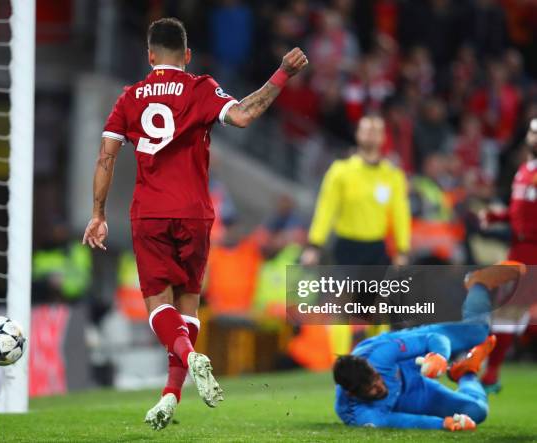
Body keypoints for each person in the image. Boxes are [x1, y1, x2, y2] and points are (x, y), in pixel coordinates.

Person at [81, 18, 308, 431]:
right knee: (188, 307)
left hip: (149, 211)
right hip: (195, 212)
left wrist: (98, 213)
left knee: (158, 306)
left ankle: (187, 359)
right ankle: (171, 394)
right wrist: (283, 74)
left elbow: (105, 159)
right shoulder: (200, 87)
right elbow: (242, 116)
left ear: (150, 56)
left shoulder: (129, 98)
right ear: (187, 55)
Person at [333, 262, 525, 431]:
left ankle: (478, 284)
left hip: (407, 358)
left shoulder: (380, 355)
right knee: (476, 411)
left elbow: (431, 339)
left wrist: (438, 356)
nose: (380, 386)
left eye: (376, 378)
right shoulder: (360, 415)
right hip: (409, 395)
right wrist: (443, 424)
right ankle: (465, 372)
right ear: (352, 393)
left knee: (476, 332)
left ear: (372, 368)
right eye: (371, 388)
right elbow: (402, 421)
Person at [302, 115, 411, 267]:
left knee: (372, 291)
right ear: (358, 134)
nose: (371, 134)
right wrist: (314, 246)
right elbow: (326, 209)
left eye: (375, 131)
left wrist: (402, 250)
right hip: (346, 246)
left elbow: (401, 213)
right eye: (367, 130)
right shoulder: (340, 170)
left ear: (383, 137)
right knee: (341, 291)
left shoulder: (393, 176)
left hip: (376, 248)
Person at [479, 118, 537, 392]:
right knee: (507, 314)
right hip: (519, 249)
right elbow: (518, 214)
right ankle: (490, 373)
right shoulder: (524, 171)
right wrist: (495, 216)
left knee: (506, 314)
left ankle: (488, 372)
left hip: (532, 252)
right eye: (534, 133)